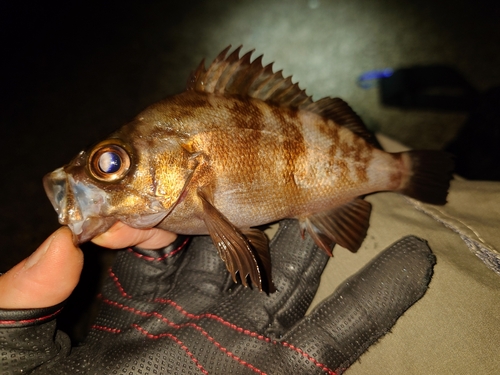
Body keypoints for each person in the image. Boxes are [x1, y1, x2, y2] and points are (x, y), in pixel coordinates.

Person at [1, 138, 500, 374]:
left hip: (343, 175)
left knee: (440, 175)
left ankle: (424, 165)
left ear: (186, 158)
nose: (90, 178)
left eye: (111, 163)